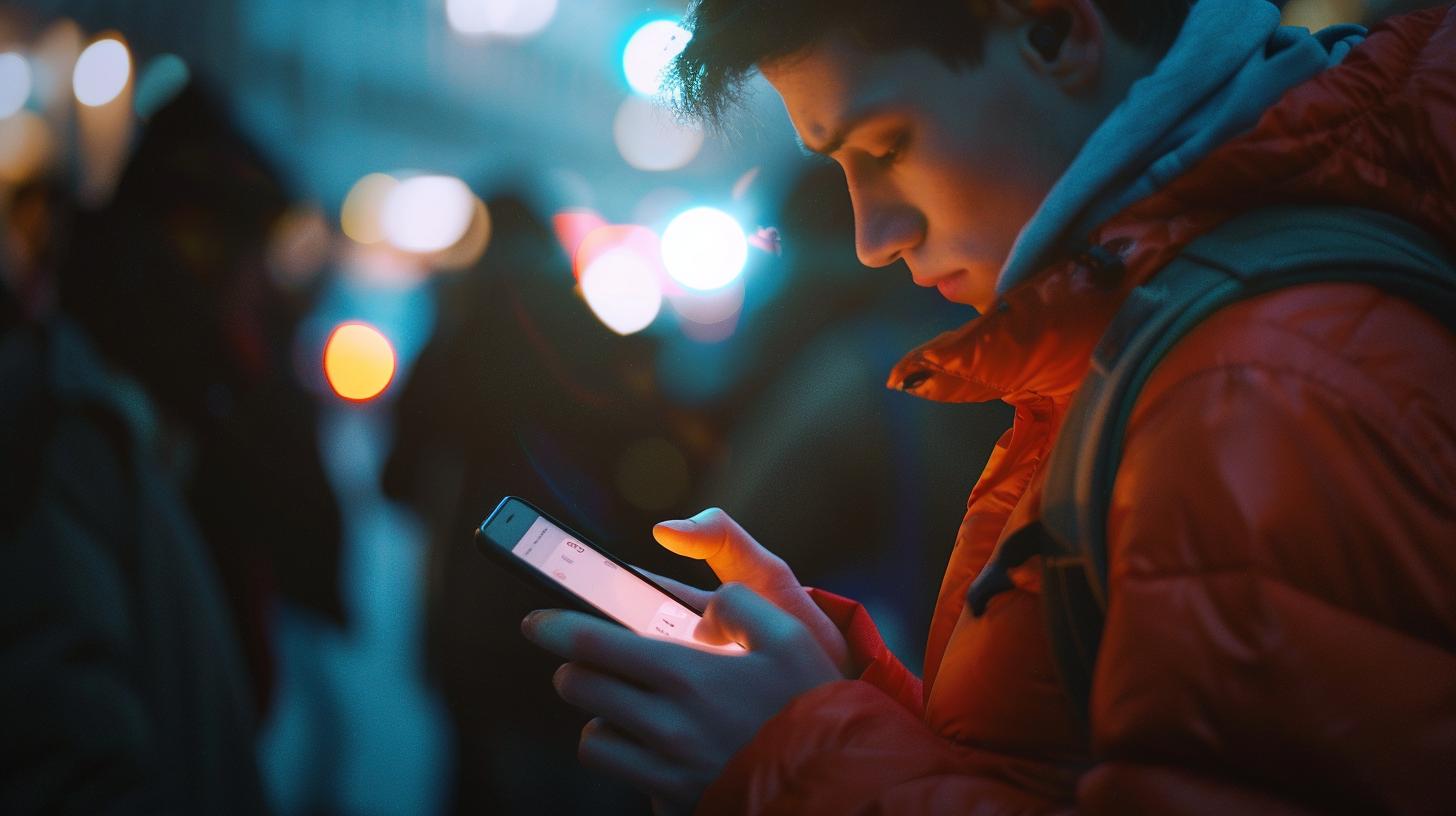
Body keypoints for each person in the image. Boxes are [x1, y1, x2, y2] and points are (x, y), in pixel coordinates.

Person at [522, 0, 1456, 813]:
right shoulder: (1162, 327)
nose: (871, 238)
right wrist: (838, 691)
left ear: (1053, 29)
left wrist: (795, 757)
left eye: (884, 147)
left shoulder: (1254, 385)